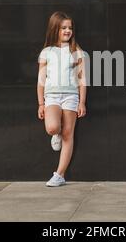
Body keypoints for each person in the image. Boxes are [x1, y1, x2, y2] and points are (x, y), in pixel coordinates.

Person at [37, 11, 87, 187]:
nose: (68, 31)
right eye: (63, 27)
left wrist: (82, 102)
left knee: (68, 134)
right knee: (53, 127)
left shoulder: (76, 51)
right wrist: (41, 104)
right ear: (55, 29)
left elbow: (82, 80)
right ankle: (55, 133)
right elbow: (41, 81)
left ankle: (59, 175)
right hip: (51, 96)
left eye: (70, 28)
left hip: (71, 96)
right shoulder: (46, 52)